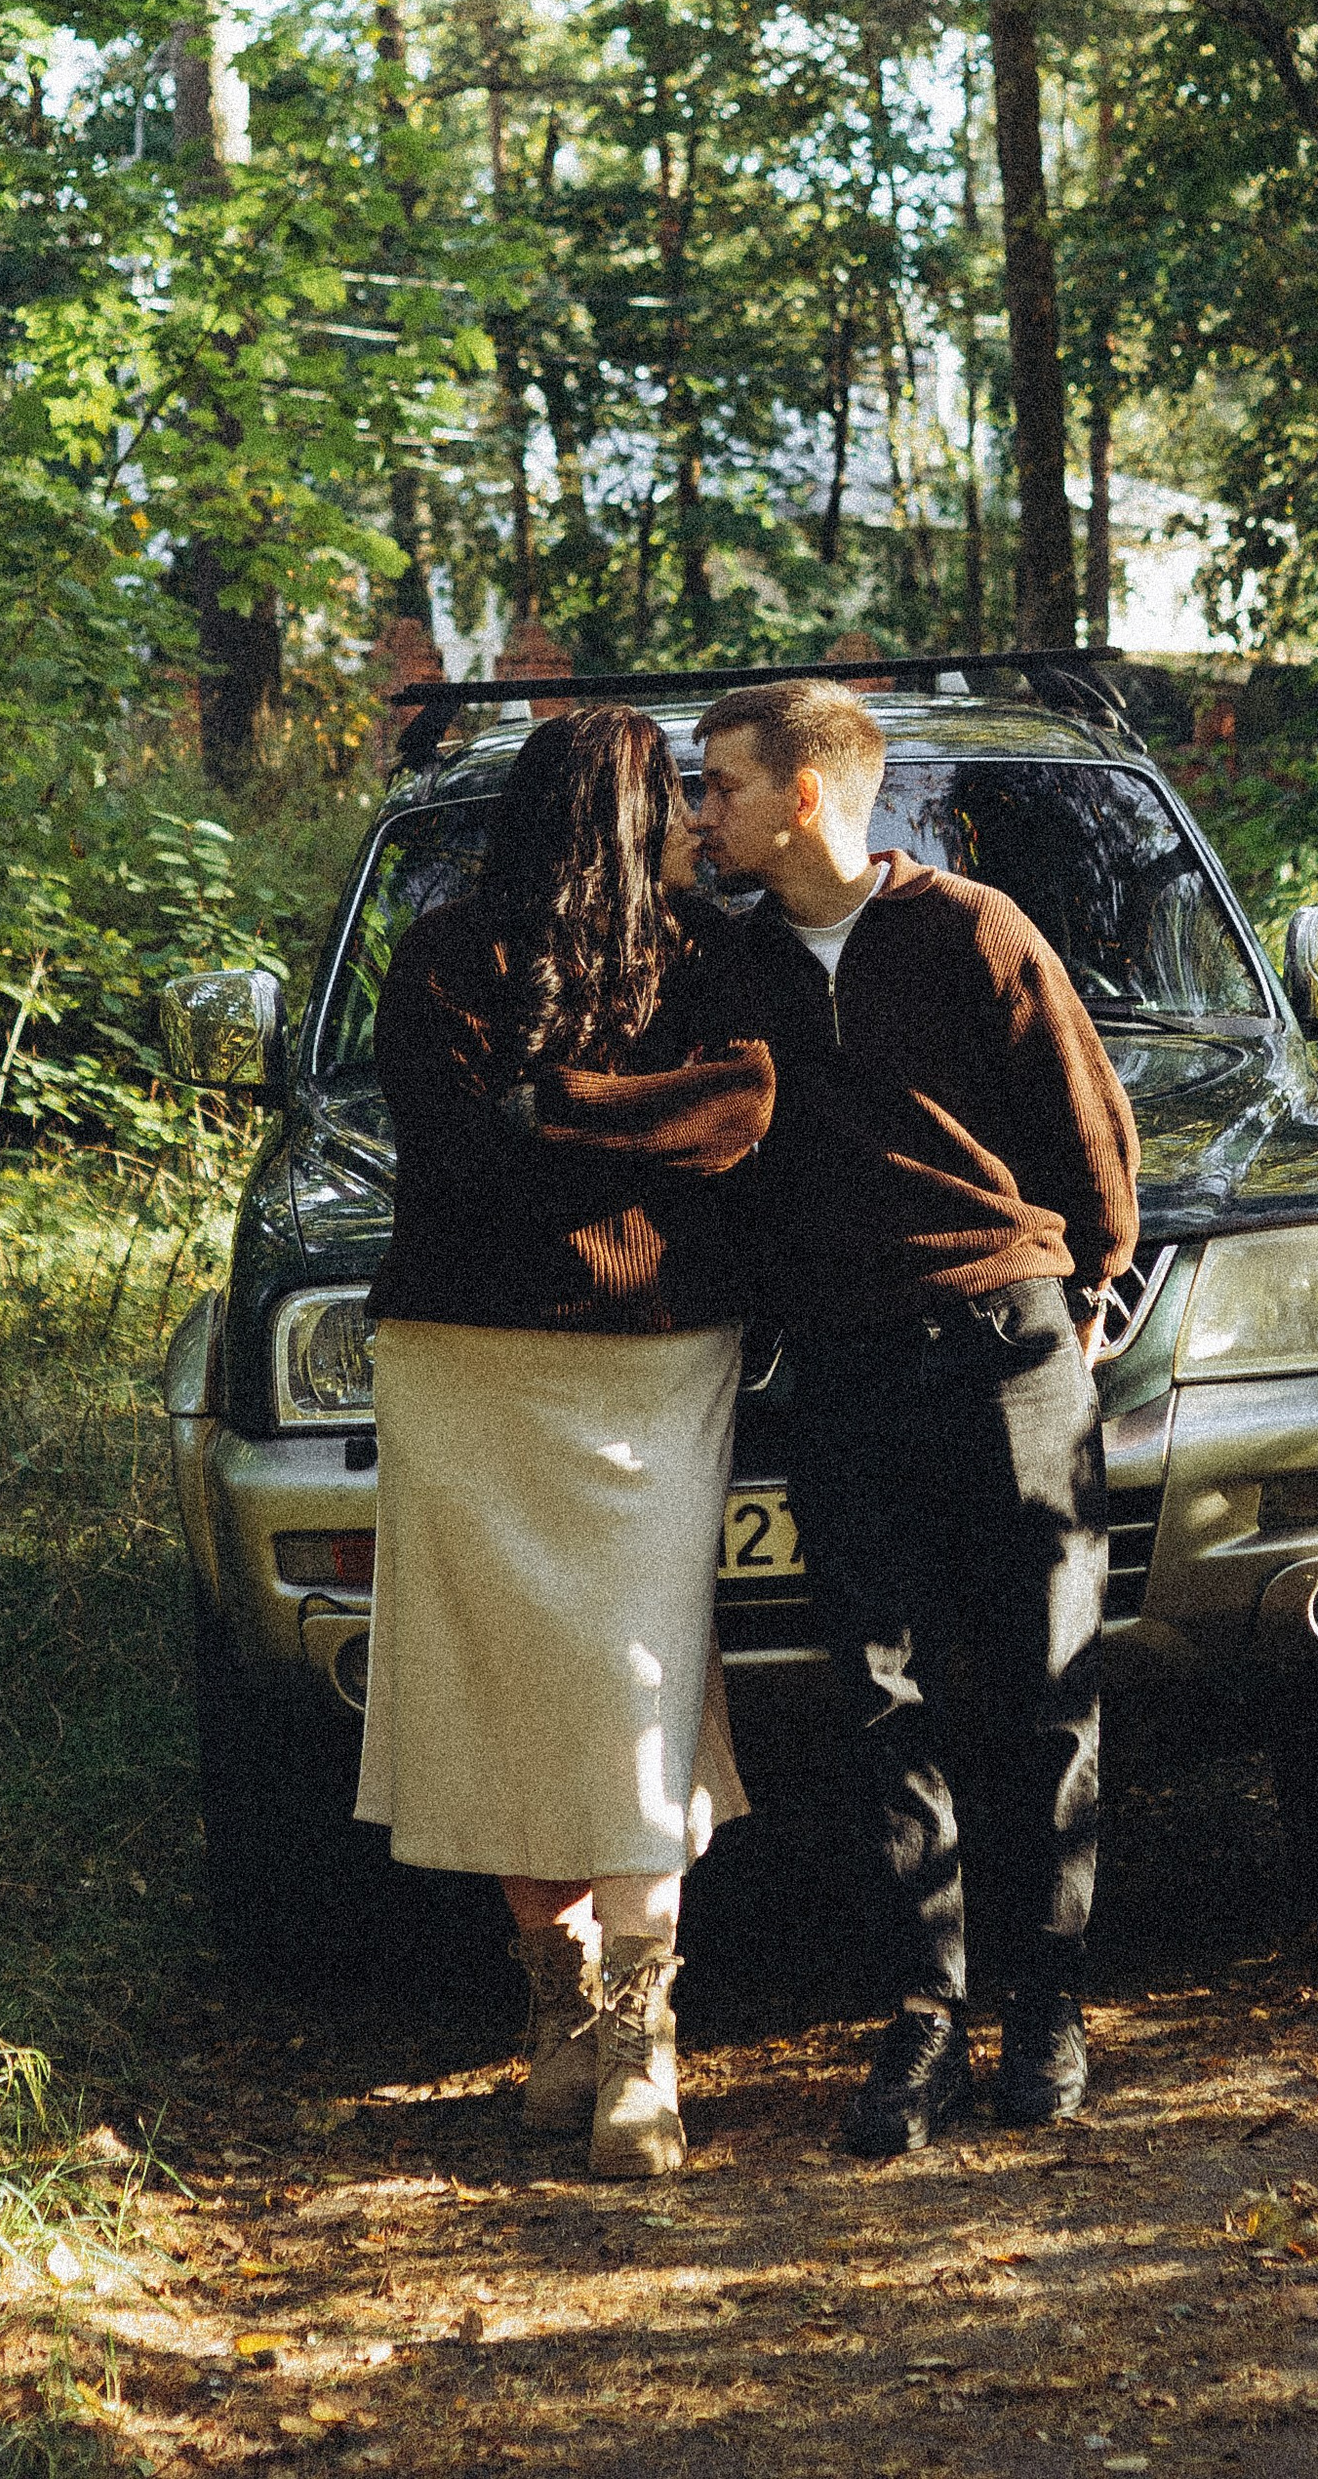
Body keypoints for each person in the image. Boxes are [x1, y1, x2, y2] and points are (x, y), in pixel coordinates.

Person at [691, 676, 1140, 2156]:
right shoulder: (729, 968)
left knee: (1041, 1686)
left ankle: (1050, 2004)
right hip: (842, 1372)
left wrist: (1078, 1290)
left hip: (1004, 1354)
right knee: (882, 1702)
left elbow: (1090, 1140)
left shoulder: (973, 931)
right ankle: (925, 2017)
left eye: (722, 789)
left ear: (803, 797)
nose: (704, 816)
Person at [356, 703, 774, 2180]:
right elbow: (463, 1160)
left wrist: (553, 1107)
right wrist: (622, 1131)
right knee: (512, 1696)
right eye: (671, 794)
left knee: (635, 1684)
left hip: (647, 1372)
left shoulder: (712, 949)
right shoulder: (449, 953)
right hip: (477, 1367)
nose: (687, 822)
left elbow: (738, 1114)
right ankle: (570, 2031)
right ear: (623, 803)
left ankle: (640, 2047)